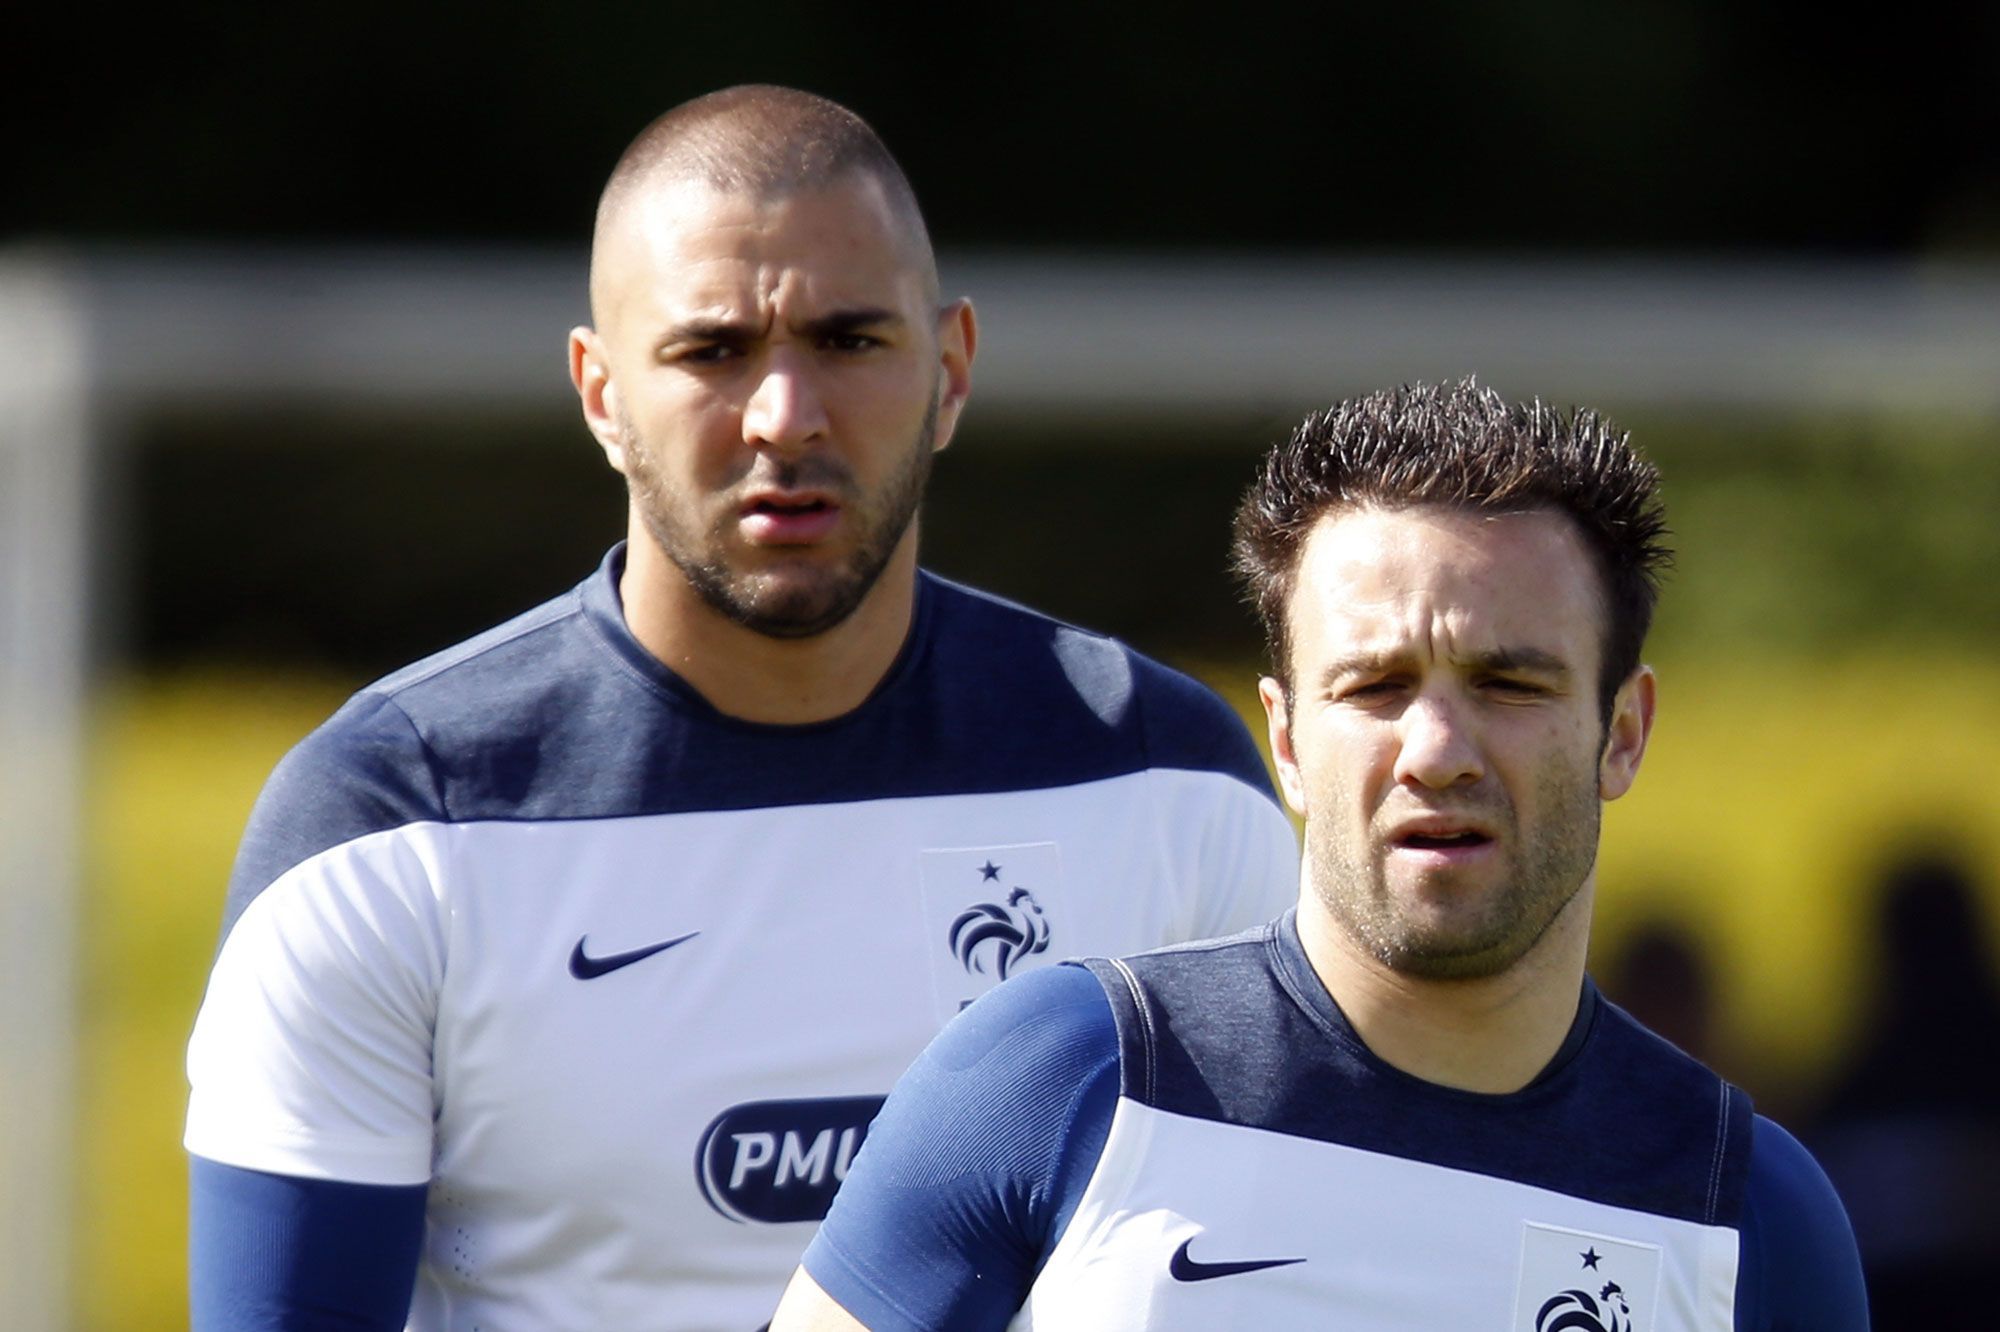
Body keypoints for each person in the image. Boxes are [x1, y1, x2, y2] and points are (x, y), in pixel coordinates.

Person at [183, 85, 1298, 1331]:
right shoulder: (390, 826)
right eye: (711, 352)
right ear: (601, 393)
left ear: (950, 371)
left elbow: (1280, 1275)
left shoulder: (1164, 785)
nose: (785, 417)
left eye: (848, 341)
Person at [773, 379, 1870, 1331]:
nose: (1435, 752)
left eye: (1508, 684)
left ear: (1620, 733)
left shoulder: (1747, 1213)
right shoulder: (1058, 1080)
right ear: (1289, 741)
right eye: (1375, 687)